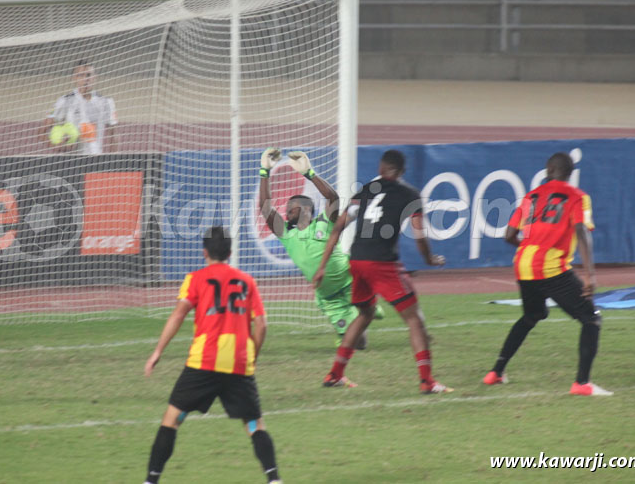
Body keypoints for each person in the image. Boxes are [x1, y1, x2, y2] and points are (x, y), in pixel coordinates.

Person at [143, 227, 282, 484]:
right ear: (230, 253)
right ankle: (274, 480)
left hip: (203, 362)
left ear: (204, 252)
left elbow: (178, 315)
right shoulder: (247, 281)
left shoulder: (195, 279)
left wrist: (157, 351)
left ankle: (151, 480)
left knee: (172, 420)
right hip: (239, 363)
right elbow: (262, 324)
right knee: (254, 425)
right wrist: (252, 356)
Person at [312, 150, 451, 393]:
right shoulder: (410, 195)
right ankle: (427, 381)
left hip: (357, 260)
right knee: (414, 320)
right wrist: (429, 258)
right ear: (401, 171)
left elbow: (337, 229)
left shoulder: (364, 192)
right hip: (382, 263)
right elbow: (419, 235)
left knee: (364, 314)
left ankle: (335, 374)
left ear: (381, 168)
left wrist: (322, 267)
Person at [482, 152, 612, 396]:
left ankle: (495, 373)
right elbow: (581, 231)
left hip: (523, 264)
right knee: (591, 318)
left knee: (532, 315)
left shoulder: (531, 197)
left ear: (547, 170)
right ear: (570, 174)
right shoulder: (578, 197)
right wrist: (590, 275)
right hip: (552, 267)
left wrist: (528, 247)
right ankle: (582, 384)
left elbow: (509, 235)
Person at [257, 148, 384, 355]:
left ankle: (367, 309)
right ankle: (365, 312)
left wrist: (309, 173)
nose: (287, 212)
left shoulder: (323, 223)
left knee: (359, 330)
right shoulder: (286, 235)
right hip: (329, 298)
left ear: (306, 210)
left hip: (351, 282)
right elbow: (265, 208)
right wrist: (265, 171)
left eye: (292, 208)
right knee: (359, 344)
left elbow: (333, 198)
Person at [40, 60, 117, 155]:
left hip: (96, 158)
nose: (85, 79)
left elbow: (113, 134)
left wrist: (114, 160)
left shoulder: (106, 102)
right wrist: (56, 147)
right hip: (70, 160)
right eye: (81, 75)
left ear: (94, 77)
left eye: (88, 75)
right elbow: (42, 131)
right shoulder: (65, 101)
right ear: (74, 78)